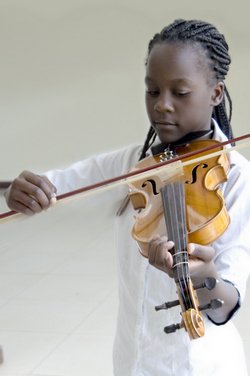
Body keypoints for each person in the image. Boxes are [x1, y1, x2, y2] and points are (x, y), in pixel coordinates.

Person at [4, 19, 250, 375]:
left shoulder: (236, 177)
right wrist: (20, 190)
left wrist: (202, 273)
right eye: (152, 91)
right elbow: (55, 186)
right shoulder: (134, 165)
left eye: (179, 93)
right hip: (132, 360)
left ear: (215, 93)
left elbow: (226, 307)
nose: (162, 105)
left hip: (200, 366)